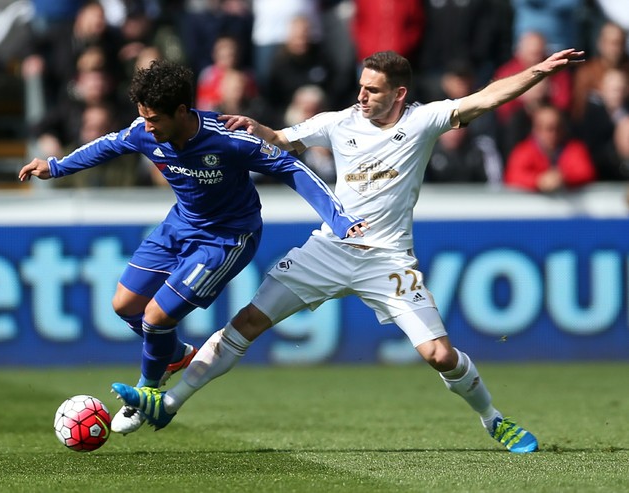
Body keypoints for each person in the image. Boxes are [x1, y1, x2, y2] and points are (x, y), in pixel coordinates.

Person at [111, 48, 585, 453]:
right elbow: (281, 142)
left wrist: (538, 71)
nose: (361, 95)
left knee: (440, 355)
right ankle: (168, 404)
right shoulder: (338, 123)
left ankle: (493, 419)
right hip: (328, 250)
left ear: (398, 93)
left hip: (389, 260)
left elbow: (487, 97)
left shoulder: (423, 120)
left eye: (373, 90)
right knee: (248, 323)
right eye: (361, 86)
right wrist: (259, 127)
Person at [18, 60, 365, 434]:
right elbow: (107, 146)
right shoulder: (145, 132)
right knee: (124, 305)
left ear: (182, 111)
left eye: (154, 119)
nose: (147, 127)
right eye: (143, 118)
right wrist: (55, 167)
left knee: (155, 317)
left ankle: (146, 391)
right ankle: (174, 355)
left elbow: (292, 169)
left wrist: (340, 220)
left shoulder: (229, 138)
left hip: (227, 238)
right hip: (179, 225)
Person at [504, 104, 596, 192]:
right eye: (549, 129)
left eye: (558, 127)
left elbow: (585, 171)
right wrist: (539, 181)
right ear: (536, 129)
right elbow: (512, 176)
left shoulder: (575, 149)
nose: (554, 134)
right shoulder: (523, 151)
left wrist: (563, 177)